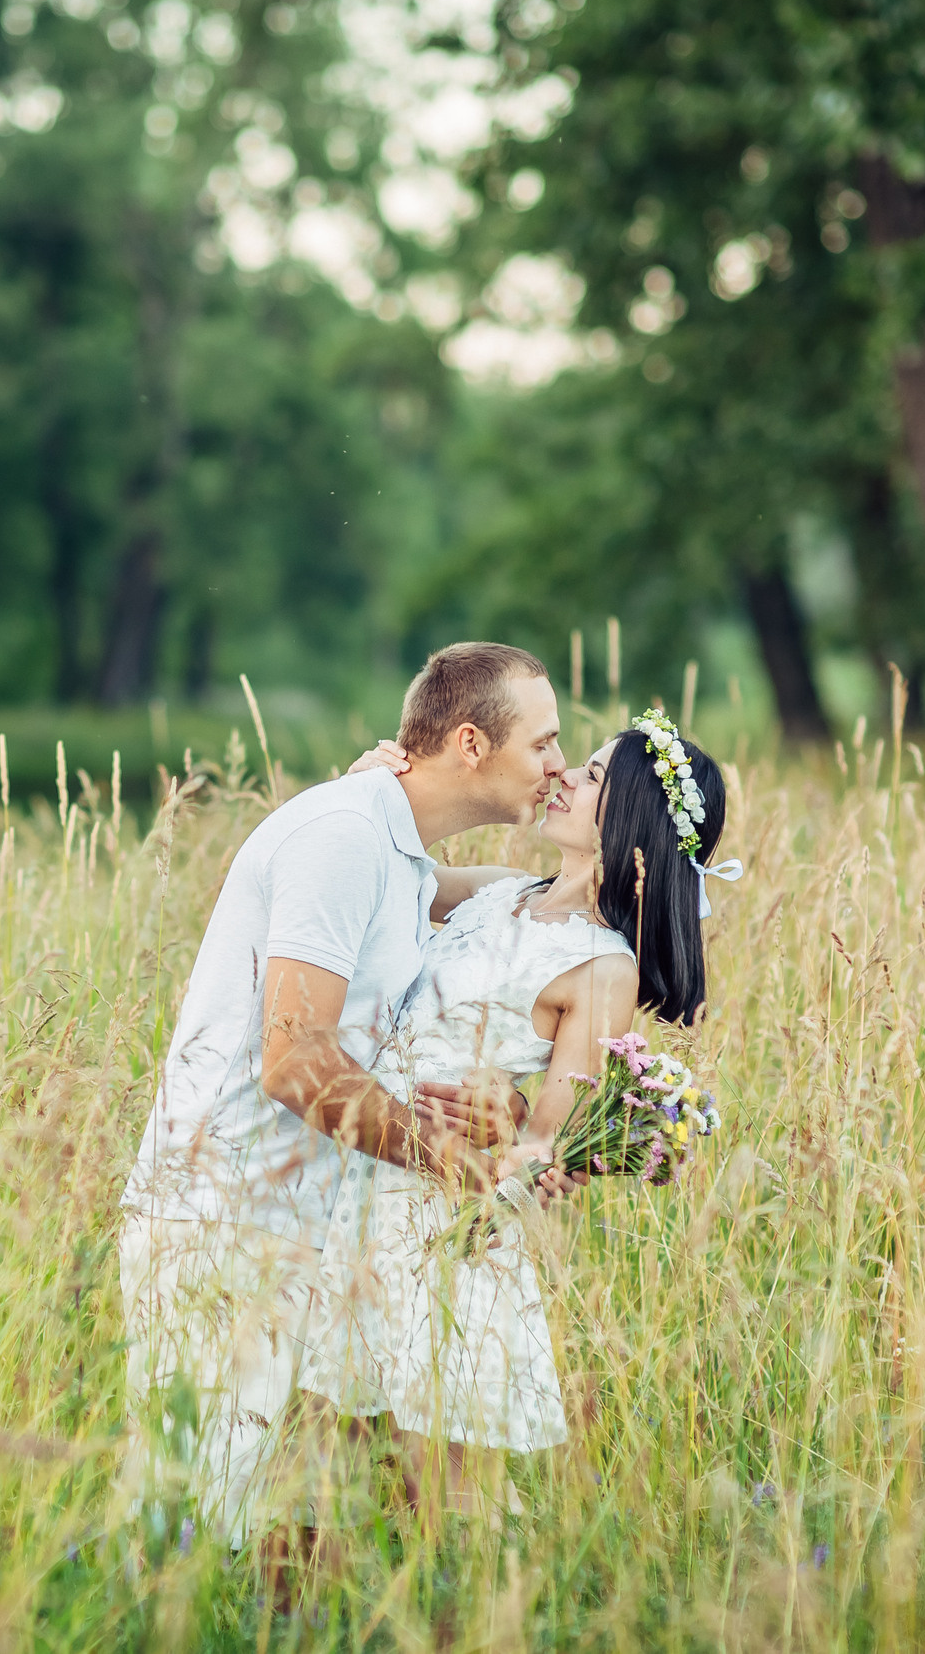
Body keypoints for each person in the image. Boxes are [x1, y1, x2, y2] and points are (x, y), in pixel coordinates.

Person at [116, 643, 577, 1558]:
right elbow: (293, 1061)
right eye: (547, 742)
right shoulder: (346, 837)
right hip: (223, 1213)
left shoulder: (396, 847)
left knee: (256, 1515)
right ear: (473, 742)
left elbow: (499, 925)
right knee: (197, 1512)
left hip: (299, 1222)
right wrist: (457, 1163)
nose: (560, 764)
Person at [310, 707, 734, 1522]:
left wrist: (511, 1123)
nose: (566, 772)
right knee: (338, 1469)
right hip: (366, 1186)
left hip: (446, 1227)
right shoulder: (504, 892)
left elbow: (546, 1145)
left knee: (444, 1491)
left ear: (636, 816)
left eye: (596, 774)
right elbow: (404, 879)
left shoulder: (601, 966)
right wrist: (374, 795)